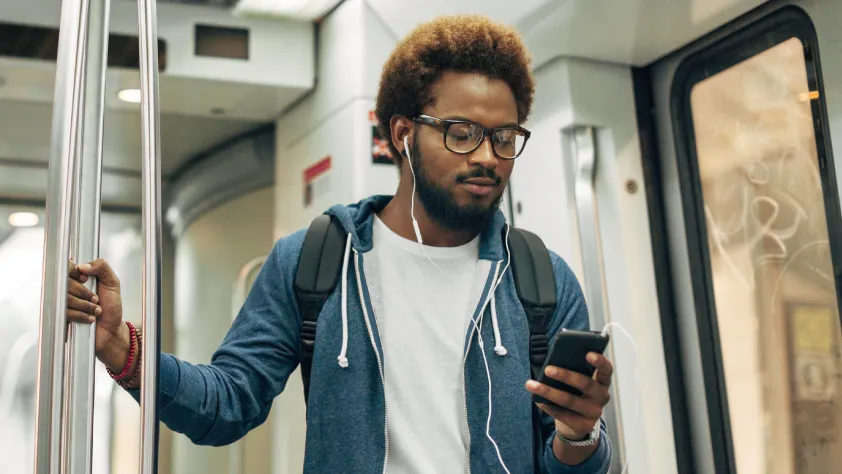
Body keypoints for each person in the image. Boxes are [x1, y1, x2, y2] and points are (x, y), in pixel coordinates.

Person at [66, 14, 613, 474]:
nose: (488, 157)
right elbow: (227, 404)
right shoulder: (314, 261)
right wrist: (122, 350)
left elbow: (570, 459)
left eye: (504, 137)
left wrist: (578, 436)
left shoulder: (541, 279)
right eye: (461, 132)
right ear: (402, 134)